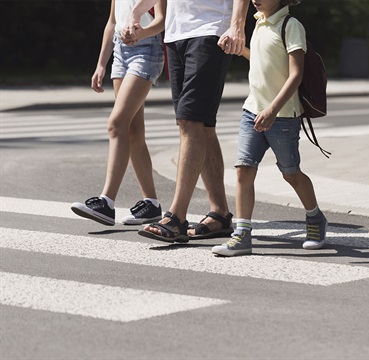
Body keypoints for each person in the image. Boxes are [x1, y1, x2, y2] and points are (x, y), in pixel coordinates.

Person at [127, 0, 250, 243]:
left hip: (211, 29)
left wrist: (237, 25)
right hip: (176, 33)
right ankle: (220, 214)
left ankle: (176, 217)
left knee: (190, 120)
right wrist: (136, 12)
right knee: (202, 125)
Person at [212, 0, 328, 256]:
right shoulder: (258, 23)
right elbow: (260, 60)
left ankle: (315, 218)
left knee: (291, 173)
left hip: (283, 116)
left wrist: (273, 110)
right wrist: (239, 49)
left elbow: (295, 74)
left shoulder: (291, 25)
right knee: (243, 169)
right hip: (252, 110)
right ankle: (242, 234)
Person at [71, 0, 167, 226]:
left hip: (146, 50)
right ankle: (151, 204)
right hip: (120, 52)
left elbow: (162, 21)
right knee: (133, 130)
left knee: (116, 124)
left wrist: (141, 34)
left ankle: (106, 202)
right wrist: (101, 64)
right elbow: (112, 22)